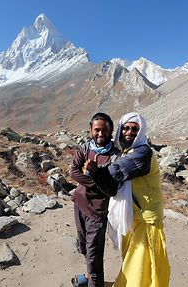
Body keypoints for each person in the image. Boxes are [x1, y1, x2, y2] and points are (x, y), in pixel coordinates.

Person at [84, 112, 170, 287]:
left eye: (135, 129)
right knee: (133, 262)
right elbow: (112, 187)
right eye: (126, 128)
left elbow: (116, 171)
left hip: (147, 219)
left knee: (141, 267)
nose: (129, 132)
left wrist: (95, 170)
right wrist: (96, 173)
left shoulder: (142, 152)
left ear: (141, 132)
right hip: (134, 216)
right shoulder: (127, 151)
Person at [69, 112, 121, 287]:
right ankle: (92, 277)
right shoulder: (85, 148)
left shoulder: (116, 156)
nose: (101, 134)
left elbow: (112, 189)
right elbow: (73, 172)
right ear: (91, 129)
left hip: (97, 213)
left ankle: (95, 281)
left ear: (111, 131)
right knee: (84, 247)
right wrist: (98, 182)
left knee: (93, 255)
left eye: (105, 130)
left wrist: (95, 174)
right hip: (79, 204)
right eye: (97, 130)